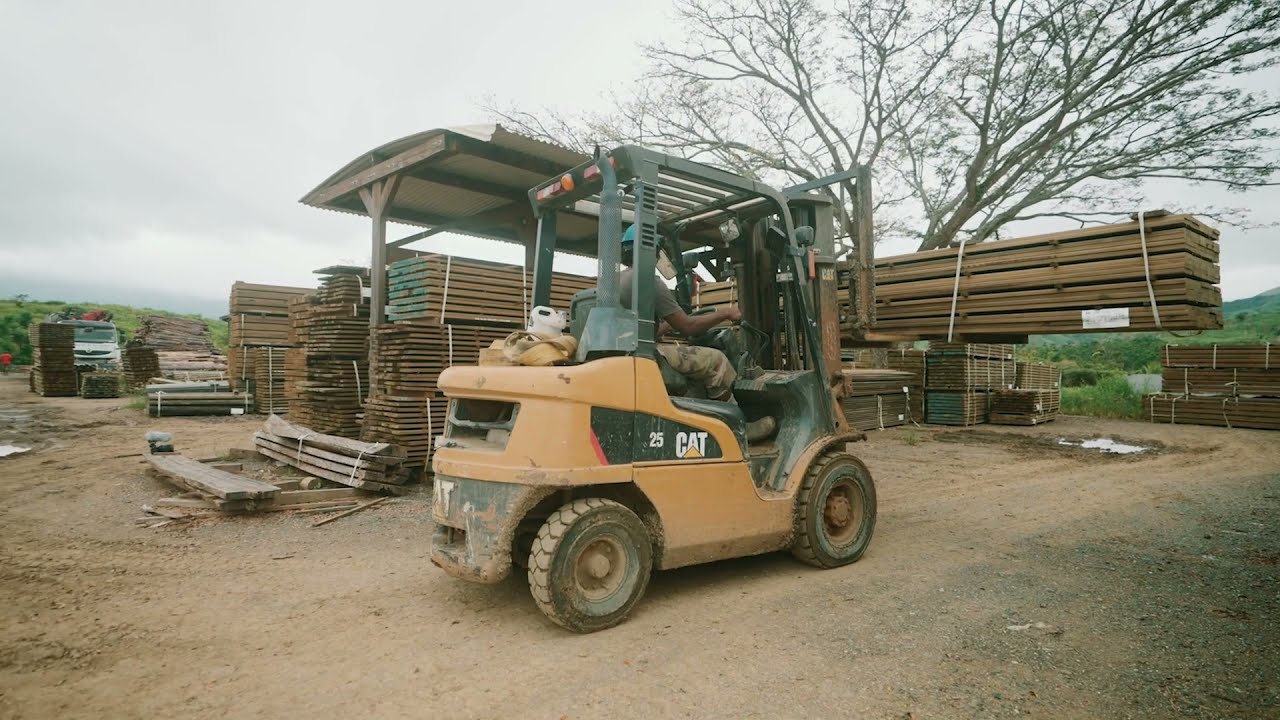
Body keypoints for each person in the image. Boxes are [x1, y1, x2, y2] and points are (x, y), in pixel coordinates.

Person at [616, 225, 776, 443]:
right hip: (643, 355)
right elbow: (689, 328)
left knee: (693, 360)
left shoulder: (617, 280)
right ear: (650, 250)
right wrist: (726, 313)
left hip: (625, 353)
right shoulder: (647, 281)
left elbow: (639, 328)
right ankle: (737, 429)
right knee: (716, 361)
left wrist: (668, 325)